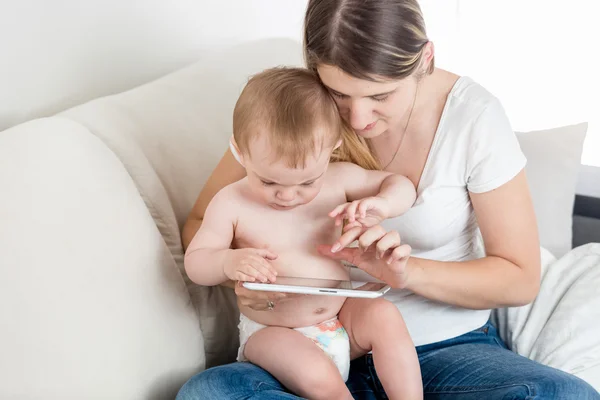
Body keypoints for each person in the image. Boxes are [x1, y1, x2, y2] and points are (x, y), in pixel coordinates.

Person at [177, 0, 600, 399]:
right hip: (300, 341)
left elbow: (519, 277)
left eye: (381, 96)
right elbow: (203, 223)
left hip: (440, 349)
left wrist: (405, 272)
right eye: (340, 95)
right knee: (208, 392)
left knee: (564, 395)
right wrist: (247, 282)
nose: (358, 120)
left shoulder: (473, 118)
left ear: (425, 59)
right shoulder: (298, 109)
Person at [184, 66, 422, 400]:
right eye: (269, 181)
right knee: (316, 374)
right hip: (273, 331)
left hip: (340, 318)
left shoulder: (338, 179)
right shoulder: (230, 203)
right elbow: (195, 263)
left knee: (385, 316)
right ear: (240, 152)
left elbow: (401, 186)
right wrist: (227, 261)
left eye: (307, 182)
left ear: (331, 148)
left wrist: (382, 203)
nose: (288, 196)